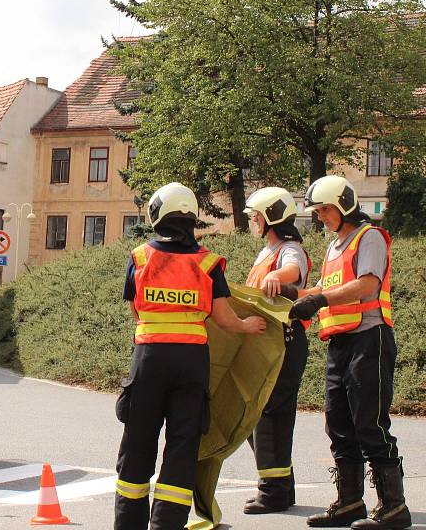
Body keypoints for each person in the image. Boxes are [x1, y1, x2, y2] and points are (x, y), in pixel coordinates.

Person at [115, 182, 267, 530]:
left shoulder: (140, 257)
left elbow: (134, 309)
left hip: (149, 360)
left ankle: (128, 524)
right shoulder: (208, 263)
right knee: (182, 445)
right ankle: (167, 524)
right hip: (191, 363)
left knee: (138, 440)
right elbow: (223, 317)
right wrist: (248, 326)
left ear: (157, 215)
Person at [286, 175, 410, 529]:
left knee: (369, 422)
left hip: (370, 338)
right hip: (340, 342)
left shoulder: (368, 237)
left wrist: (318, 300)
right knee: (338, 423)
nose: (320, 216)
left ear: (342, 205)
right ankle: (350, 502)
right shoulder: (335, 246)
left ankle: (393, 506)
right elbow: (327, 288)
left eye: (324, 209)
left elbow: (366, 284)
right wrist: (293, 293)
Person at [241, 187, 311, 514]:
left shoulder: (288, 249)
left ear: (269, 218)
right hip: (268, 342)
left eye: (256, 216)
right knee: (261, 414)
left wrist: (277, 277)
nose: (253, 221)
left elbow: (293, 271)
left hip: (285, 341)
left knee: (268, 413)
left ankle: (273, 492)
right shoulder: (266, 251)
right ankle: (281, 485)